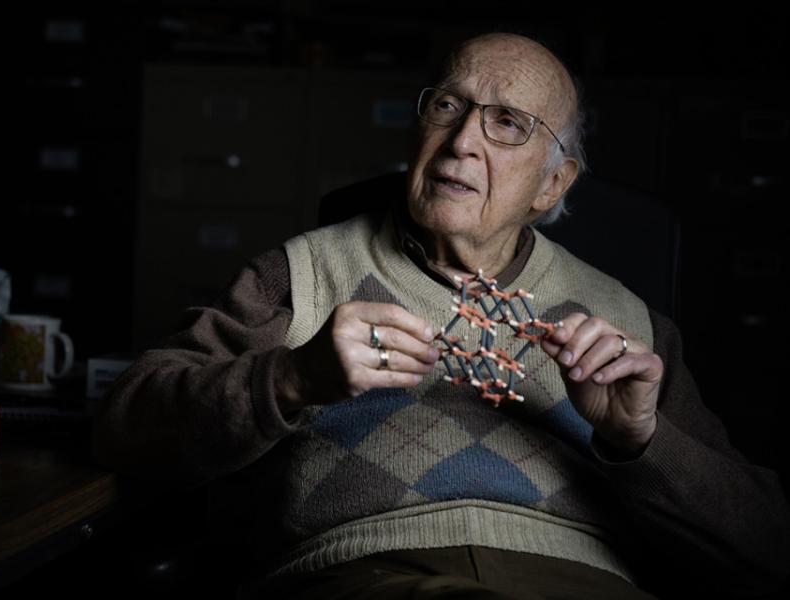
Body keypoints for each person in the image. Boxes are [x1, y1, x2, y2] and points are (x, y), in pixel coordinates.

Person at [93, 32, 790, 599]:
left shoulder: (629, 325)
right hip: (370, 572)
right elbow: (127, 426)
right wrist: (289, 380)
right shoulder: (302, 275)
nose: (462, 143)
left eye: (508, 124)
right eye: (447, 108)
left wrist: (641, 441)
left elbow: (765, 549)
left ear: (553, 183)